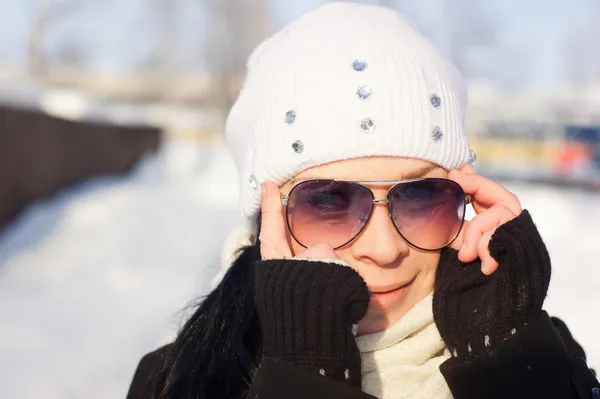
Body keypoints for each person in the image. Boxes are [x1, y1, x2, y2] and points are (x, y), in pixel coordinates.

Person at [126, 3, 600, 398]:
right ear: (264, 221)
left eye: (421, 196)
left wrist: (507, 359)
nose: (385, 248)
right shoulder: (179, 379)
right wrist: (305, 374)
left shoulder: (538, 351)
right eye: (329, 203)